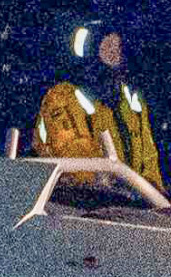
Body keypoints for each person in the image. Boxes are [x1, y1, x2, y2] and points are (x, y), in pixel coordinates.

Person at [33, 20, 163, 190]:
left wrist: (154, 191)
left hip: (132, 206)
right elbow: (76, 158)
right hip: (75, 205)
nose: (113, 52)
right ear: (92, 49)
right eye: (107, 45)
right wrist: (112, 189)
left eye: (117, 46)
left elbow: (149, 157)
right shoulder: (62, 98)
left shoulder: (131, 99)